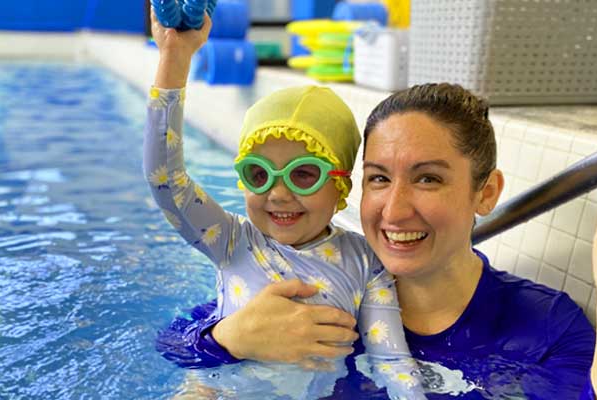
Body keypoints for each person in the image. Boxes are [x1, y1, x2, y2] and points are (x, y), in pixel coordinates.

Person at [156, 83, 597, 399]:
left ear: (485, 192)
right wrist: (225, 341)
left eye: (428, 179)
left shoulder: (543, 330)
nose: (395, 209)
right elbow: (175, 341)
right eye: (379, 179)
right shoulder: (321, 292)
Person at [144, 11, 425, 400]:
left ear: (340, 183)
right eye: (259, 174)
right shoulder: (231, 240)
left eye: (303, 174)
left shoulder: (364, 262)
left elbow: (391, 361)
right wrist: (173, 61)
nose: (277, 194)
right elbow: (165, 180)